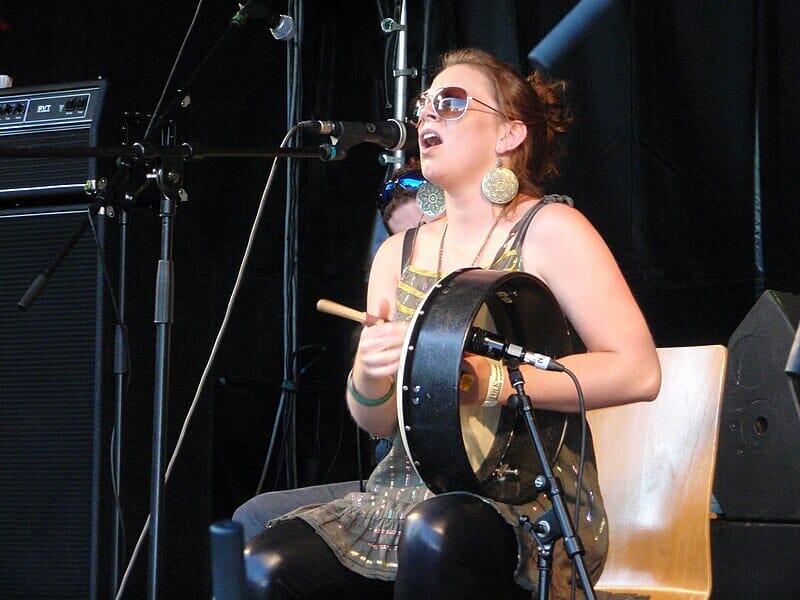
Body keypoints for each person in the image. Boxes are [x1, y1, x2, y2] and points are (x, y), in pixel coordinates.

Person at [235, 47, 661, 599]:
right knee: (267, 565)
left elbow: (637, 371)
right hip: (404, 491)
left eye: (452, 103)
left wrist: (498, 382)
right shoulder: (398, 253)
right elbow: (380, 424)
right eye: (424, 106)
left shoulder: (550, 229)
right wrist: (368, 376)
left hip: (520, 497)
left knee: (434, 535)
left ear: (510, 134)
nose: (427, 117)